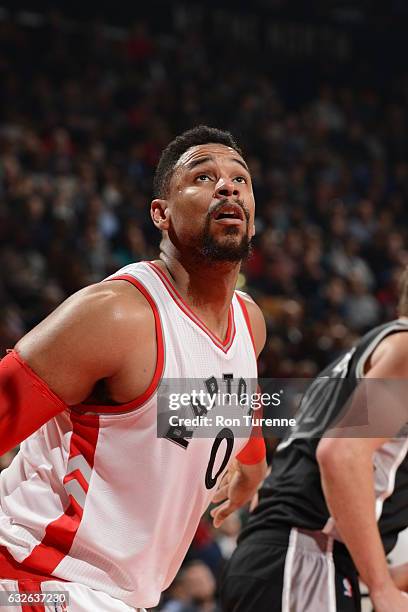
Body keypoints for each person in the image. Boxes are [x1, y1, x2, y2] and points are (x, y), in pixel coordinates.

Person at [0, 126, 267, 611]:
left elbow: (226, 396)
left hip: (114, 595)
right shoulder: (117, 315)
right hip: (35, 575)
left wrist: (252, 461)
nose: (227, 187)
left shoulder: (249, 322)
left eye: (240, 179)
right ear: (160, 214)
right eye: (203, 177)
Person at [221, 268, 408, 612]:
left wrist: (384, 579)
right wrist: (382, 588)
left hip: (291, 557)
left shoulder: (374, 352)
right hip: (305, 554)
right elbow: (340, 456)